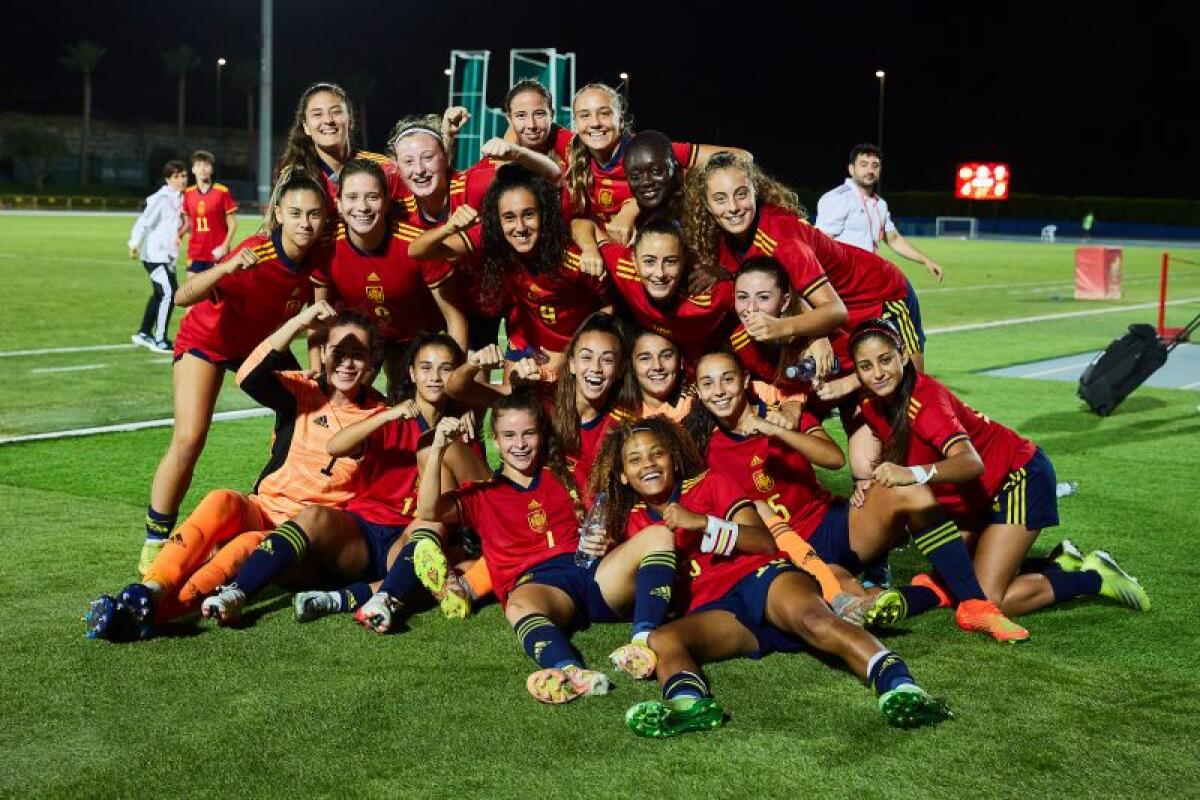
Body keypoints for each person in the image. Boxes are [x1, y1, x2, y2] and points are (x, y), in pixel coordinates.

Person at [589, 417, 952, 736]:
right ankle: (689, 706)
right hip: (714, 607)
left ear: (673, 457)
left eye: (657, 453)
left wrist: (702, 523)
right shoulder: (629, 521)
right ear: (622, 474)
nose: (648, 465)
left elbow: (762, 541)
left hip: (762, 577)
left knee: (815, 619)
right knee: (665, 639)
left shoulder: (710, 483)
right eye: (634, 459)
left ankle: (900, 685)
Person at [85, 303, 386, 641]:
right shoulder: (302, 390)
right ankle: (152, 588)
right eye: (339, 352)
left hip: (305, 539)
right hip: (263, 507)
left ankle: (147, 612)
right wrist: (299, 322)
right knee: (222, 500)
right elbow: (248, 375)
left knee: (249, 543)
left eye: (357, 354)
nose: (346, 363)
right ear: (324, 354)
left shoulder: (381, 418)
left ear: (374, 360)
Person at [850, 319, 1150, 634]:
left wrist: (910, 474)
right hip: (973, 497)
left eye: (885, 360)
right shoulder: (871, 402)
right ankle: (1058, 563)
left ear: (903, 355)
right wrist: (869, 482)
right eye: (866, 366)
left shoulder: (926, 401)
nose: (878, 373)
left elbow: (970, 462)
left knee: (991, 596)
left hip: (1017, 477)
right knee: (955, 573)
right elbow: (905, 446)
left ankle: (1095, 576)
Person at [201, 334, 489, 629]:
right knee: (312, 517)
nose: (435, 377)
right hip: (361, 535)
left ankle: (381, 599)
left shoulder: (460, 434)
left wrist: (457, 436)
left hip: (410, 541)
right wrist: (388, 415)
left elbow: (483, 497)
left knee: (431, 529)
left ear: (457, 375)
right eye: (426, 368)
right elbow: (336, 446)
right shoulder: (389, 416)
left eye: (445, 369)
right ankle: (236, 593)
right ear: (412, 373)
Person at [415, 390, 681, 703]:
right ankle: (569, 670)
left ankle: (643, 641)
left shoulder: (564, 476)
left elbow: (604, 516)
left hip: (593, 574)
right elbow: (429, 510)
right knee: (518, 606)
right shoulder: (482, 495)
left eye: (528, 433)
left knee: (660, 536)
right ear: (495, 441)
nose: (520, 444)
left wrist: (605, 539)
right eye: (509, 436)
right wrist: (437, 449)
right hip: (544, 587)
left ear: (541, 434)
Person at [683, 348, 986, 617]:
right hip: (786, 552)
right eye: (708, 384)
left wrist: (775, 431)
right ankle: (933, 591)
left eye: (728, 379)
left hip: (831, 526)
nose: (719, 391)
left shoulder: (782, 416)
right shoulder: (699, 446)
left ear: (745, 380)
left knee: (908, 489)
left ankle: (975, 601)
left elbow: (833, 457)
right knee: (857, 607)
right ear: (697, 390)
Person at [135, 169, 329, 576]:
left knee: (307, 407)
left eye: (313, 214)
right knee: (189, 437)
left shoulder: (317, 259)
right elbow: (186, 297)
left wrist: (315, 366)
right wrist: (224, 269)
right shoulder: (257, 252)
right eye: (295, 213)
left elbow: (317, 320)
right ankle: (156, 541)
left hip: (255, 347)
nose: (305, 223)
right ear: (278, 213)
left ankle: (270, 501)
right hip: (207, 341)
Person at [410, 164, 610, 366]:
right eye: (509, 217)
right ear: (498, 221)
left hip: (576, 352)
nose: (520, 227)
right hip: (527, 344)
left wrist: (574, 352)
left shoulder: (572, 257)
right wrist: (449, 227)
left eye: (529, 214)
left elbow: (613, 305)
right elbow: (418, 251)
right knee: (468, 387)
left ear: (544, 214)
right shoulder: (493, 237)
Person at [311, 157, 468, 390]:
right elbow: (319, 319)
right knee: (340, 399)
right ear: (339, 203)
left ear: (385, 201)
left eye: (372, 197)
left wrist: (456, 380)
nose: (362, 207)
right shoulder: (326, 246)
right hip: (364, 339)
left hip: (416, 339)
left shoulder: (416, 244)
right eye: (352, 197)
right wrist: (317, 374)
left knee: (415, 406)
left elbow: (454, 317)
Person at [684, 153, 849, 356]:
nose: (733, 207)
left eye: (741, 194)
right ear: (707, 205)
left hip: (878, 295)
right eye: (720, 199)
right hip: (839, 309)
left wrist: (789, 329)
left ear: (755, 190)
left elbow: (836, 311)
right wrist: (722, 272)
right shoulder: (720, 237)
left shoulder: (783, 239)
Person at [564, 83, 750, 244]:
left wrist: (637, 204)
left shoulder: (648, 152)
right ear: (575, 122)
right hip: (611, 257)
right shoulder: (572, 149)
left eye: (604, 113)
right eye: (584, 115)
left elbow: (743, 157)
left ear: (620, 118)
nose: (595, 123)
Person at [591, 217, 733, 370]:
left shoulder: (708, 295)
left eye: (670, 261)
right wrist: (588, 249)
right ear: (634, 261)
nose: (660, 273)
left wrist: (729, 273)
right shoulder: (624, 270)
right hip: (656, 365)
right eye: (649, 261)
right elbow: (586, 226)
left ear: (684, 261)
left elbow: (752, 293)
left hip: (704, 367)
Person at [815, 143, 944, 283]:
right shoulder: (838, 198)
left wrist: (925, 260)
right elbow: (821, 243)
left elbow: (893, 239)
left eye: (875, 166)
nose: (870, 170)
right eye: (863, 165)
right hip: (843, 282)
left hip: (869, 278)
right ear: (851, 169)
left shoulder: (880, 204)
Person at [276, 81, 398, 207]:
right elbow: (278, 224)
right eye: (317, 114)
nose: (328, 120)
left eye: (336, 112)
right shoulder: (295, 176)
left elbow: (409, 222)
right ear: (306, 126)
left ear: (350, 121)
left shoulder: (385, 169)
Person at [465, 78, 568, 209]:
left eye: (539, 114)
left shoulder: (571, 152)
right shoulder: (490, 167)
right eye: (521, 116)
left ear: (551, 115)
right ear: (509, 119)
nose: (531, 124)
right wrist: (448, 137)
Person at [127, 160, 187, 352]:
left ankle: (144, 333)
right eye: (176, 176)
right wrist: (134, 243)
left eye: (184, 176)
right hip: (154, 256)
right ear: (168, 179)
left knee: (163, 294)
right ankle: (160, 339)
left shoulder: (182, 198)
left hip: (168, 256)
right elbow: (144, 221)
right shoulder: (161, 198)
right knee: (168, 293)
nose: (181, 180)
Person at [180, 150, 238, 274]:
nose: (203, 169)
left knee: (218, 291)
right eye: (199, 165)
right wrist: (178, 235)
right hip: (195, 253)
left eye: (206, 165)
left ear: (211, 170)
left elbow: (233, 223)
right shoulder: (188, 193)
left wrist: (224, 245)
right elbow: (188, 223)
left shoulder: (222, 192)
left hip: (218, 253)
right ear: (193, 169)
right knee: (193, 290)